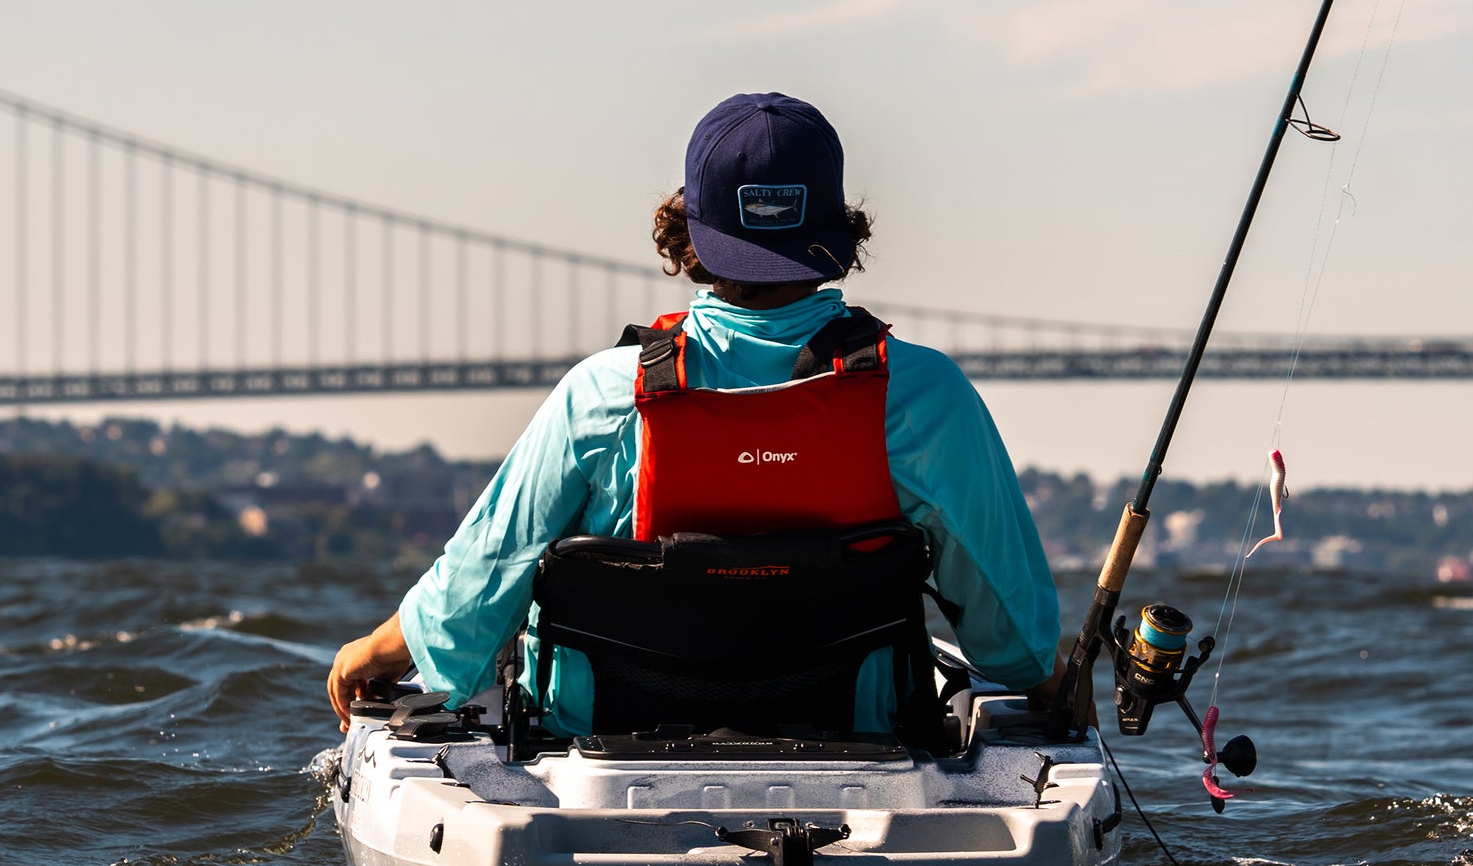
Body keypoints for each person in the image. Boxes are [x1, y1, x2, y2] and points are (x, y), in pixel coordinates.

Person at [327, 93, 1060, 731]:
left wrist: (380, 650)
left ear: (688, 237)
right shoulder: (924, 395)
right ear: (840, 232)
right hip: (860, 741)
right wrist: (1046, 678)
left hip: (607, 747)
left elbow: (480, 587)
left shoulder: (605, 395)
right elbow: (1017, 649)